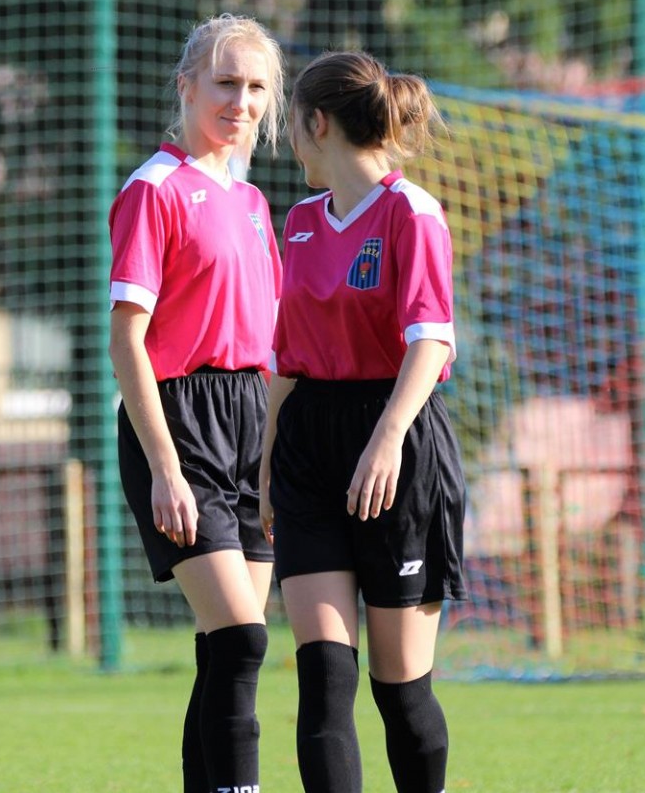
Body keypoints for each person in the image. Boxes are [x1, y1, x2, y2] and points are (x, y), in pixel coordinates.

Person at [260, 51, 467, 793]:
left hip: (398, 447)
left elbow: (431, 340)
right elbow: (286, 358)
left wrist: (385, 440)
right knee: (323, 677)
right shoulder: (300, 222)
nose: (288, 139)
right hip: (309, 448)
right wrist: (266, 464)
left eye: (290, 122)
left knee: (400, 692)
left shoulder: (412, 212)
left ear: (316, 123)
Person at [107, 13, 286, 793]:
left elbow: (271, 342)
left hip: (251, 420)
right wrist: (165, 468)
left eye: (256, 87)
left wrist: (277, 454)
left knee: (226, 648)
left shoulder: (251, 201)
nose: (240, 101)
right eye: (225, 82)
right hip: (180, 423)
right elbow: (127, 340)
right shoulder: (154, 190)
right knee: (241, 639)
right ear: (186, 86)